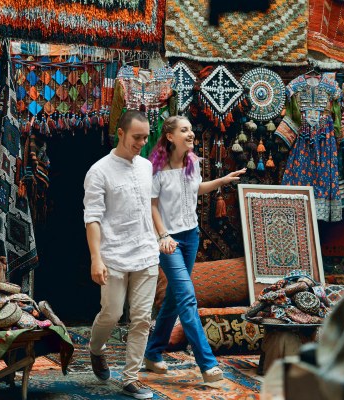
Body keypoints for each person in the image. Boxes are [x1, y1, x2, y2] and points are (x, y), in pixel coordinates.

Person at [144, 115, 247, 383]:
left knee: (174, 299)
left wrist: (222, 181)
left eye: (191, 129)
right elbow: (152, 205)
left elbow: (196, 189)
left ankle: (153, 352)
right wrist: (162, 235)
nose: (190, 134)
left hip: (191, 236)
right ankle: (207, 363)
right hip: (169, 242)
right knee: (188, 298)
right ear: (169, 136)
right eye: (184, 130)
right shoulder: (156, 169)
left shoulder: (192, 162)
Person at [83, 110, 160, 399]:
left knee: (141, 319)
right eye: (136, 137)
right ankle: (95, 348)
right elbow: (92, 217)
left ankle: (131, 377)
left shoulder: (146, 166)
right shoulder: (99, 171)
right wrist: (96, 258)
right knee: (112, 313)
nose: (142, 142)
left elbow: (149, 207)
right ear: (121, 133)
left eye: (145, 136)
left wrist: (160, 237)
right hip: (113, 254)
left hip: (146, 253)